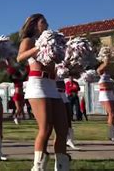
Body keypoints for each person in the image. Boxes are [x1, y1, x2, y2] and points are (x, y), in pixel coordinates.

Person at [17, 13, 69, 170]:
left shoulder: (53, 42)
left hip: (52, 84)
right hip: (37, 84)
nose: (46, 24)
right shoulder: (29, 40)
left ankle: (61, 166)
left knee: (62, 128)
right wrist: (38, 47)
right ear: (34, 25)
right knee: (45, 128)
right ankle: (38, 167)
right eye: (43, 22)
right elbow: (20, 58)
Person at [96, 59, 114, 143]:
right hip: (104, 94)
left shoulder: (110, 73)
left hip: (111, 93)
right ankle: (111, 134)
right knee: (111, 113)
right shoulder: (100, 71)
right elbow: (103, 66)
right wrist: (107, 58)